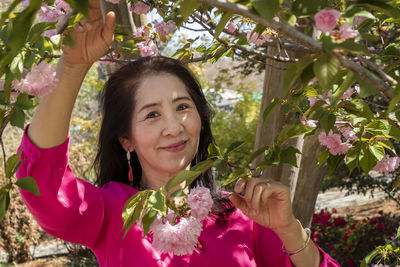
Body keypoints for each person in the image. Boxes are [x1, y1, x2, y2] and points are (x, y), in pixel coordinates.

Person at [16, 1, 340, 266]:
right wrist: (72, 67)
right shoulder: (114, 213)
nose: (174, 127)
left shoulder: (245, 215)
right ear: (125, 139)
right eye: (152, 114)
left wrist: (290, 231)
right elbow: (44, 185)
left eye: (183, 107)